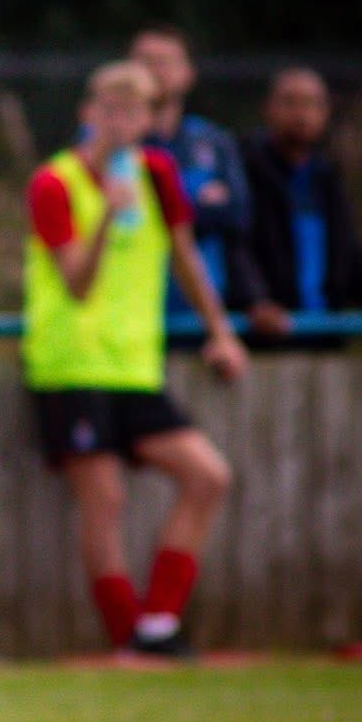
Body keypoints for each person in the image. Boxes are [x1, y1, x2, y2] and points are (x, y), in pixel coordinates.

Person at [24, 61, 247, 659]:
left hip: (135, 367)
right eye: (111, 110)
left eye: (134, 111)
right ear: (88, 114)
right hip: (71, 366)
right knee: (106, 502)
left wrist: (220, 332)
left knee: (208, 476)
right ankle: (127, 638)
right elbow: (76, 283)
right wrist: (106, 217)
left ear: (150, 119)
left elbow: (185, 255)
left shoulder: (157, 173)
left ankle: (158, 623)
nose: (122, 123)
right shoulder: (54, 182)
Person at [237, 69, 362, 343]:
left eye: (312, 104)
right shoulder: (245, 170)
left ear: (326, 112)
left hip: (324, 335)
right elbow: (237, 249)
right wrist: (256, 301)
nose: (301, 114)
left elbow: (352, 260)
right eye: (290, 102)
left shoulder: (326, 178)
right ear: (268, 109)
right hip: (268, 338)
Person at [129, 26, 261, 323]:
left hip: (201, 313)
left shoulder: (213, 141)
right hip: (132, 312)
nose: (154, 70)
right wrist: (196, 203)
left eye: (165, 61)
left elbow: (237, 215)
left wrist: (163, 208)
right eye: (145, 61)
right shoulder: (107, 145)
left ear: (188, 73)